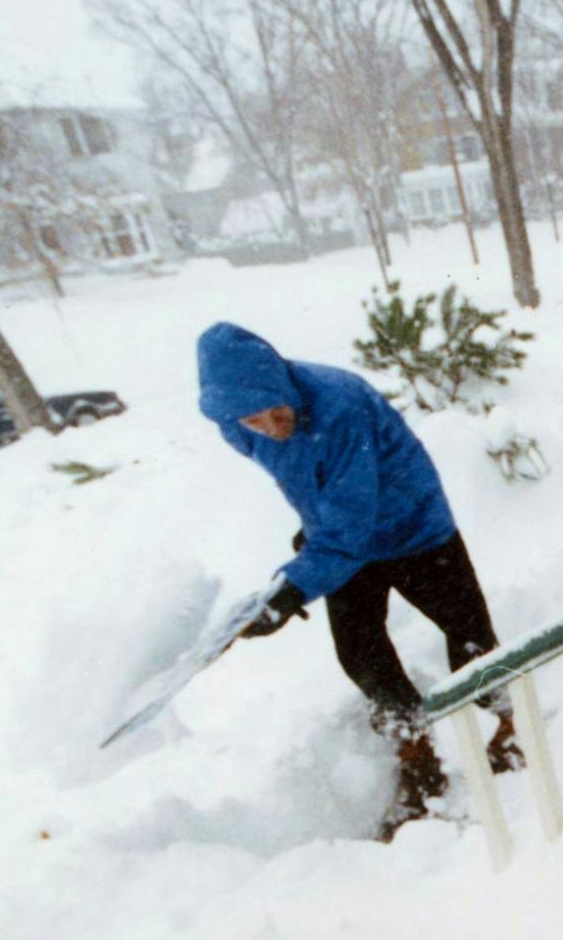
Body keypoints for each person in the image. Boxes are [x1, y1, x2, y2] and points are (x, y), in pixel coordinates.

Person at [196, 321, 521, 838]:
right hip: (342, 536)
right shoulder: (238, 426)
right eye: (254, 421)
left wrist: (296, 586)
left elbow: (351, 524)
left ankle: (506, 726)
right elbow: (310, 482)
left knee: (468, 634)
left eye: (276, 412)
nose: (270, 427)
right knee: (360, 651)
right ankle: (417, 758)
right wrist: (315, 527)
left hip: (414, 525)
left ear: (285, 387)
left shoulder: (338, 406)